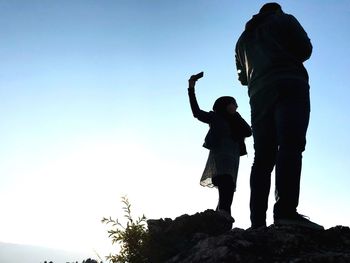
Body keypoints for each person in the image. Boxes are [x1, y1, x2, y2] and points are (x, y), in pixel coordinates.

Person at [235, 2, 323, 229]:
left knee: (263, 158)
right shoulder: (284, 19)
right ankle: (285, 213)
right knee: (290, 145)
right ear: (277, 9)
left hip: (259, 93)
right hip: (290, 82)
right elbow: (305, 49)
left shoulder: (242, 39)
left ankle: (257, 224)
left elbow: (242, 78)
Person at [188, 72, 252, 219]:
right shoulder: (215, 117)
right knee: (226, 187)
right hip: (220, 160)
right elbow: (196, 112)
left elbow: (248, 132)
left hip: (233, 161)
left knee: (227, 193)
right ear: (225, 104)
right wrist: (191, 88)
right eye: (233, 103)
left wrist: (236, 115)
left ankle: (219, 221)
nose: (236, 105)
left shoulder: (236, 121)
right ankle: (223, 220)